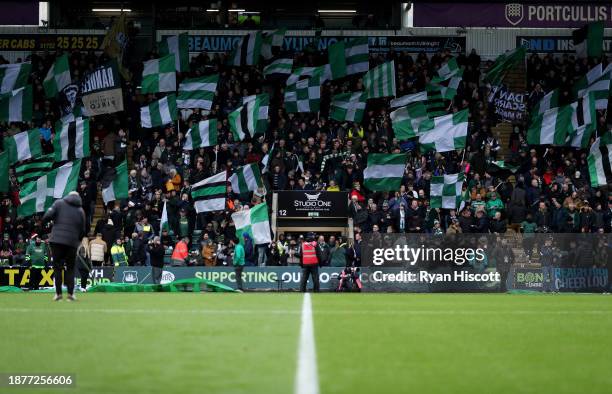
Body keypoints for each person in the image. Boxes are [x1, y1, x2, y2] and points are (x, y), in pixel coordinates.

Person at [42, 192, 87, 301]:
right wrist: (77, 241)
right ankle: (71, 294)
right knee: (70, 268)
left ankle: (58, 294)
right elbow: (83, 230)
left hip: (57, 240)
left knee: (58, 268)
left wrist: (50, 224)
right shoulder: (80, 211)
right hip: (72, 242)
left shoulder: (59, 203)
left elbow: (46, 217)